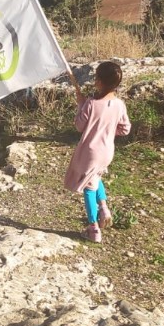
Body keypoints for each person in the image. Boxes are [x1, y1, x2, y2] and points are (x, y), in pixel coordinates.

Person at [64, 60, 131, 243]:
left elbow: (79, 126)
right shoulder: (119, 104)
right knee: (96, 177)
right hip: (107, 151)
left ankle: (93, 229)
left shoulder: (91, 104)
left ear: (99, 81)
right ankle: (104, 207)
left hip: (90, 153)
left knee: (88, 187)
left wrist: (81, 104)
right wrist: (108, 131)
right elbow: (125, 129)